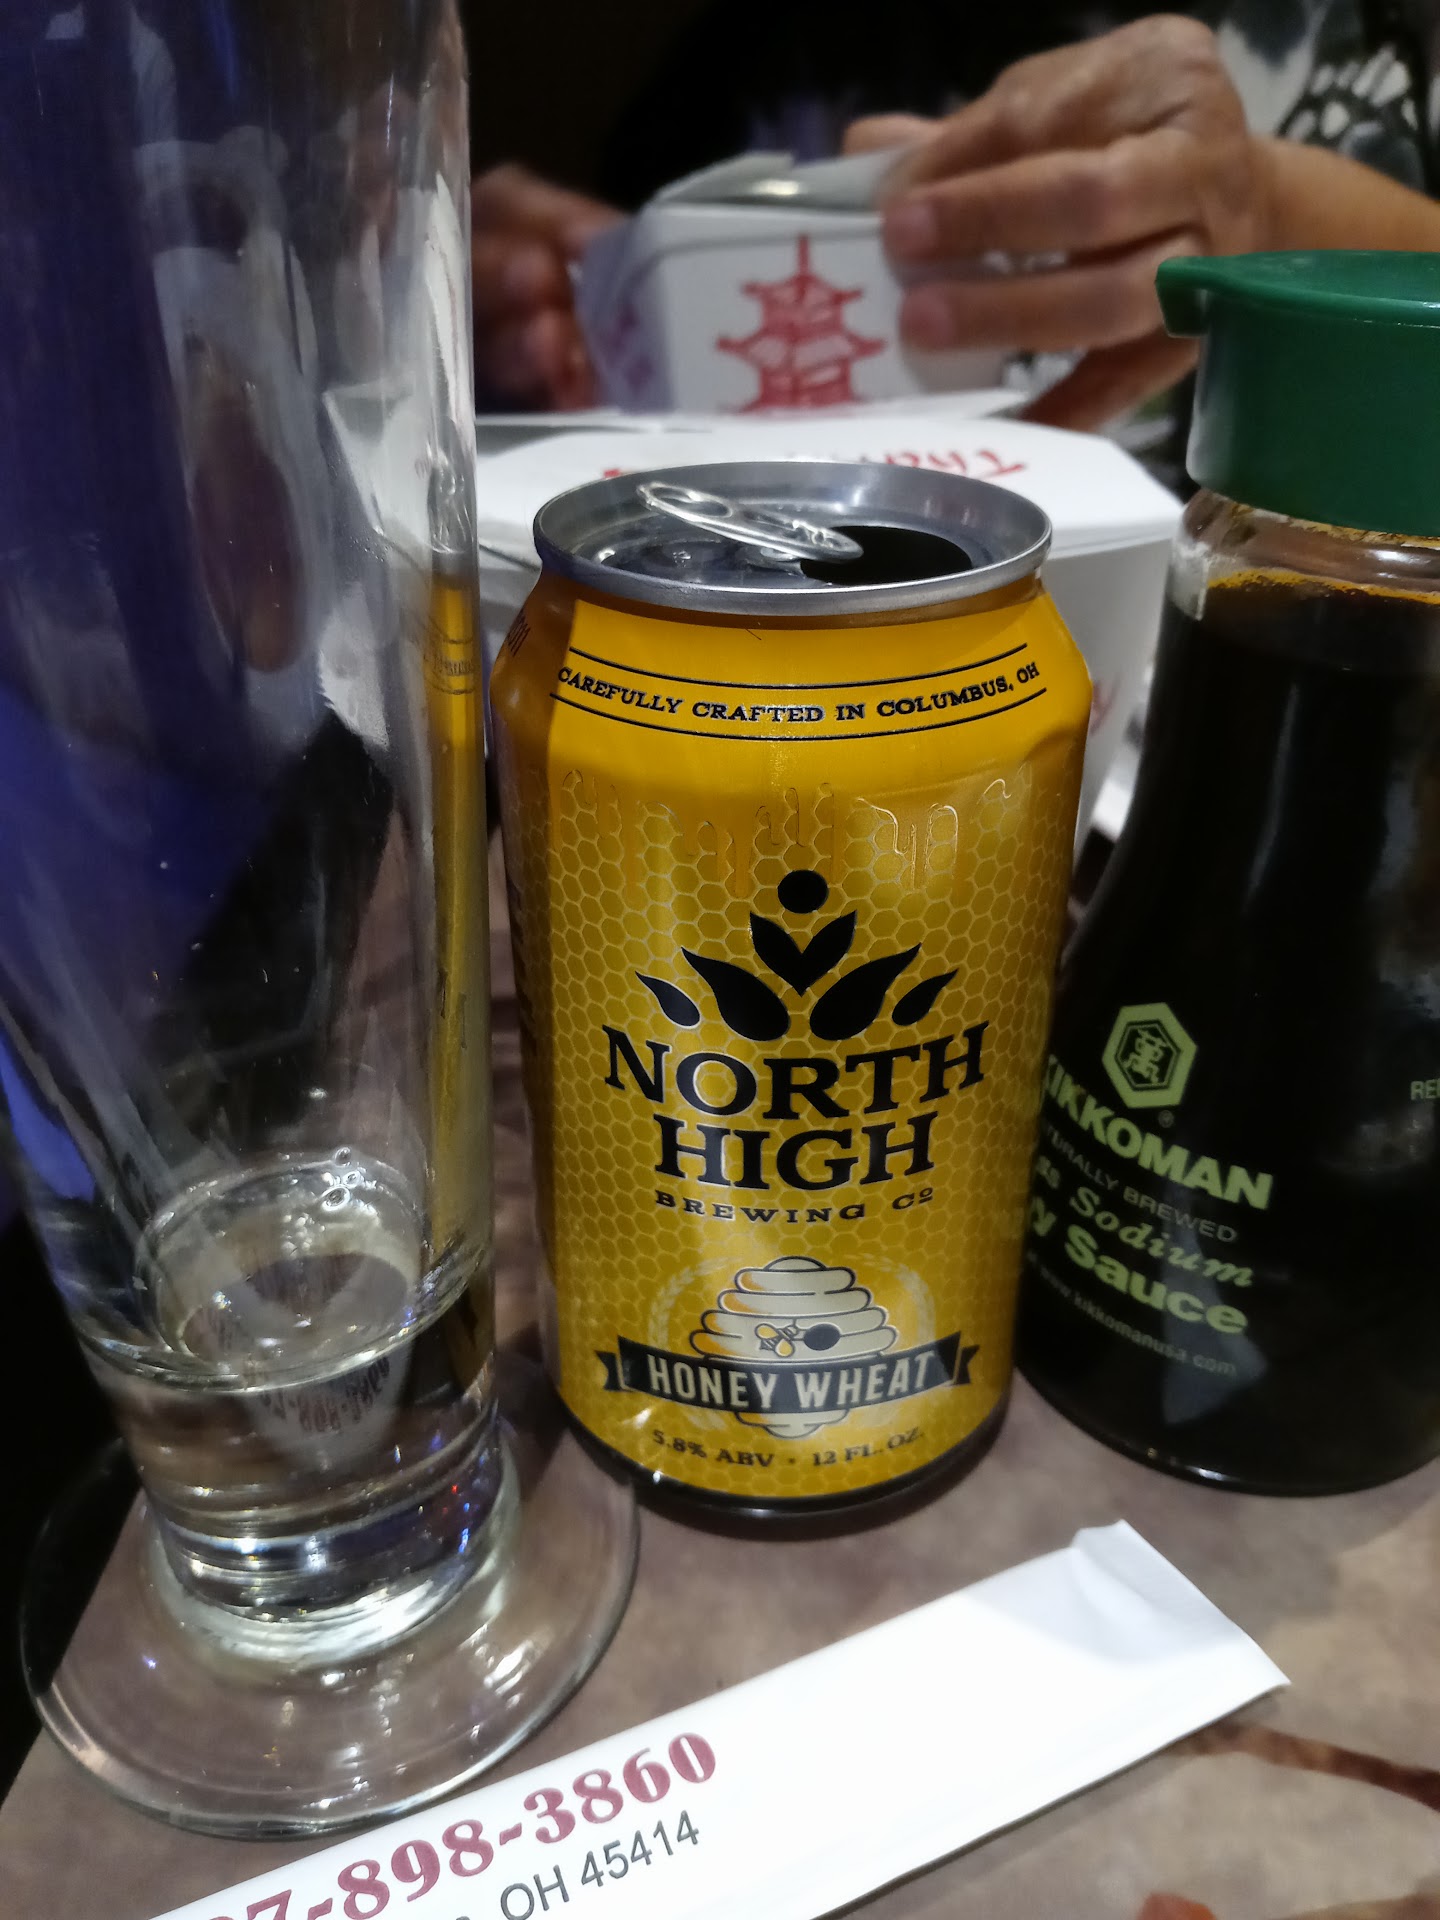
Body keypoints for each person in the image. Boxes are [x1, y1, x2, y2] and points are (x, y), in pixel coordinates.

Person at [470, 3, 1440, 428]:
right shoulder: (747, 67)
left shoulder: (1390, 40)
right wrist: (498, 338)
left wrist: (1275, 210)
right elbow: (602, 321)